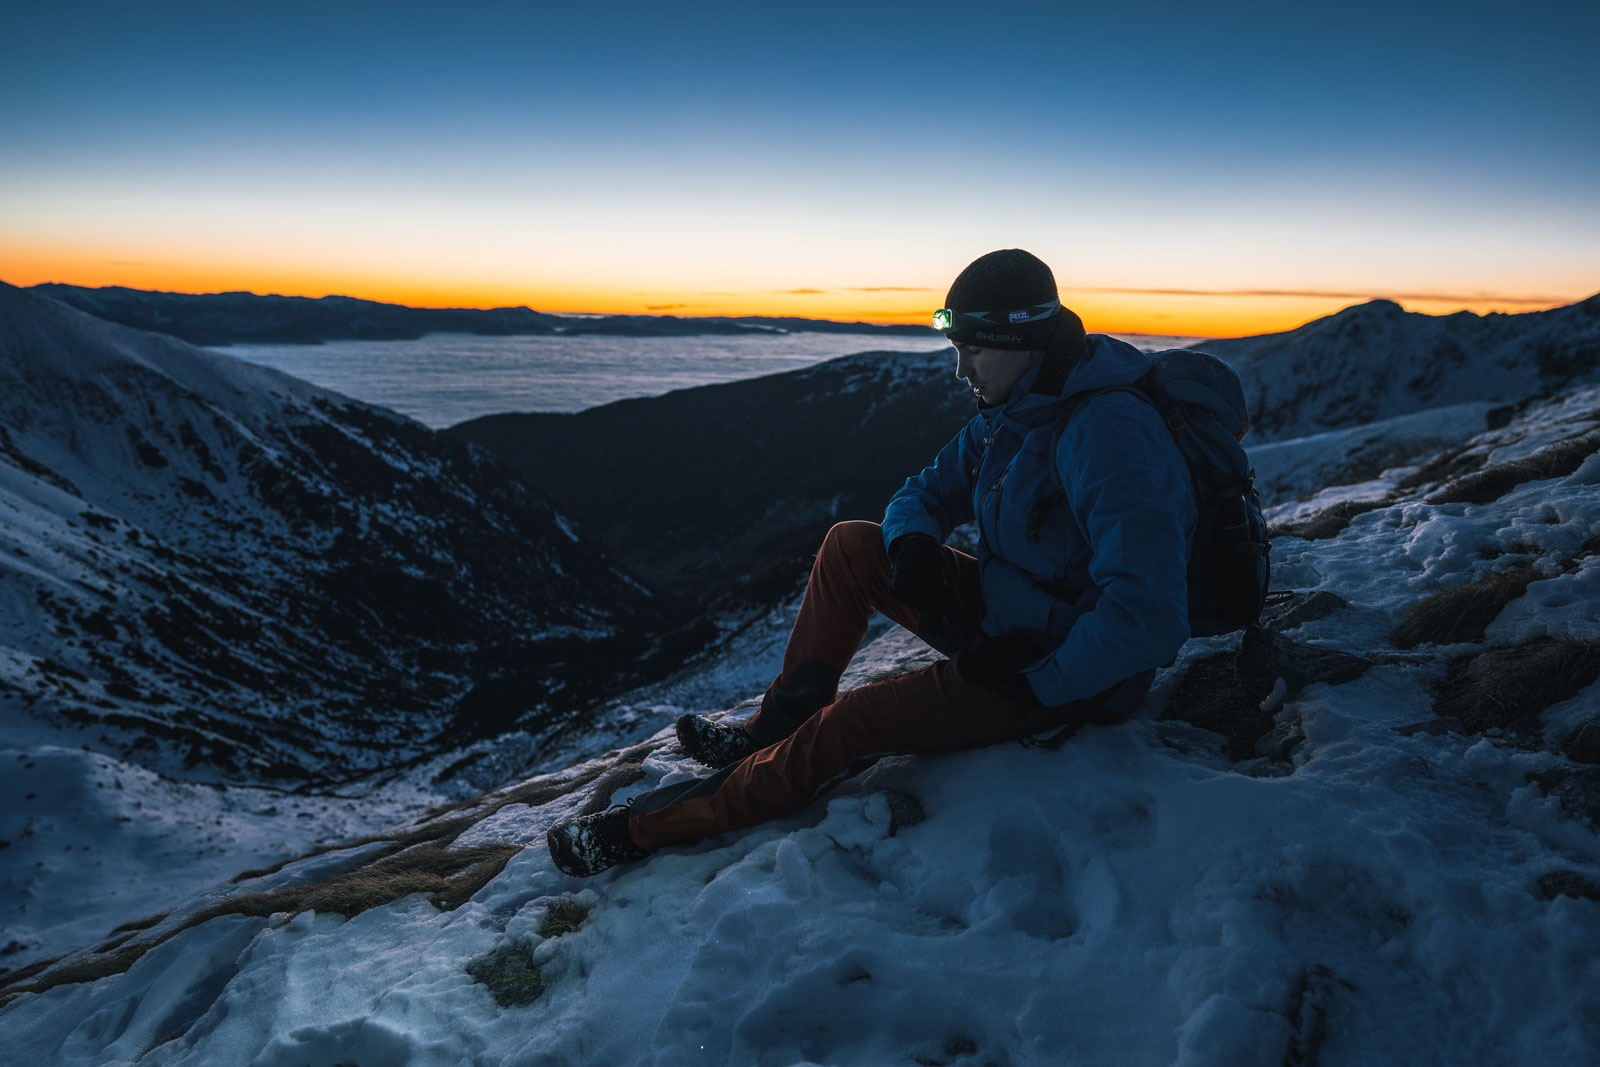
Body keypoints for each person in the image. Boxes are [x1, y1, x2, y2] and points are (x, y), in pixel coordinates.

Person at [547, 248, 1197, 877]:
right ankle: (772, 729)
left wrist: (1038, 681)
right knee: (851, 545)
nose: (961, 370)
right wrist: (911, 543)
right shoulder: (1018, 411)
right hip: (1009, 627)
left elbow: (1149, 614)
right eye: (956, 349)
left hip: (1067, 673)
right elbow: (925, 490)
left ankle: (639, 830)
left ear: (1021, 340)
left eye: (973, 350)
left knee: (855, 720)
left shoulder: (1107, 434)